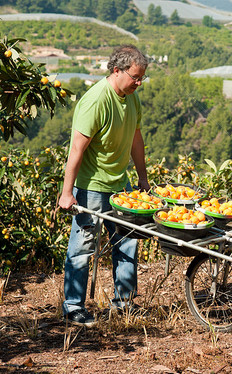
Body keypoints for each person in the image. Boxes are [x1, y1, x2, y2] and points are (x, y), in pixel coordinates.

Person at [58, 44, 150, 327]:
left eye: (141, 78)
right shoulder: (96, 100)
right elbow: (76, 149)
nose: (139, 82)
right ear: (116, 70)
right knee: (83, 247)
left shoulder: (131, 99)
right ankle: (73, 307)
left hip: (120, 186)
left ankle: (123, 304)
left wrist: (142, 178)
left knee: (127, 243)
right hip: (91, 188)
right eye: (135, 77)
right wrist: (66, 192)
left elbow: (136, 140)